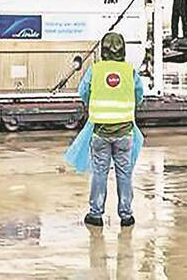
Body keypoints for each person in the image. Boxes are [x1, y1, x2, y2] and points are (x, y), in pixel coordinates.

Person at [79, 31, 144, 228]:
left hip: (100, 132)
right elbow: (139, 95)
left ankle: (95, 214)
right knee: (124, 174)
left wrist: (94, 103)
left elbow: (83, 92)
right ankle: (126, 215)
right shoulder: (130, 71)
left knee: (100, 173)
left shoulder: (95, 70)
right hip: (125, 132)